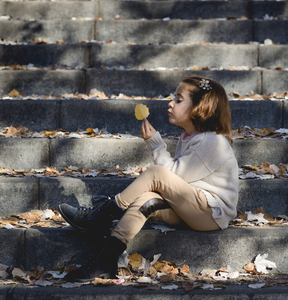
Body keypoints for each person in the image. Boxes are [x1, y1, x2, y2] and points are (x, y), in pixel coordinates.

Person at [58, 74, 239, 282]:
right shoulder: (190, 137)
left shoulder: (211, 141)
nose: (171, 103)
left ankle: (104, 213)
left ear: (201, 107)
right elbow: (179, 180)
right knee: (146, 200)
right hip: (191, 209)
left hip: (210, 212)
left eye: (179, 99)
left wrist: (156, 144)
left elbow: (172, 174)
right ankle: (106, 260)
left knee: (156, 173)